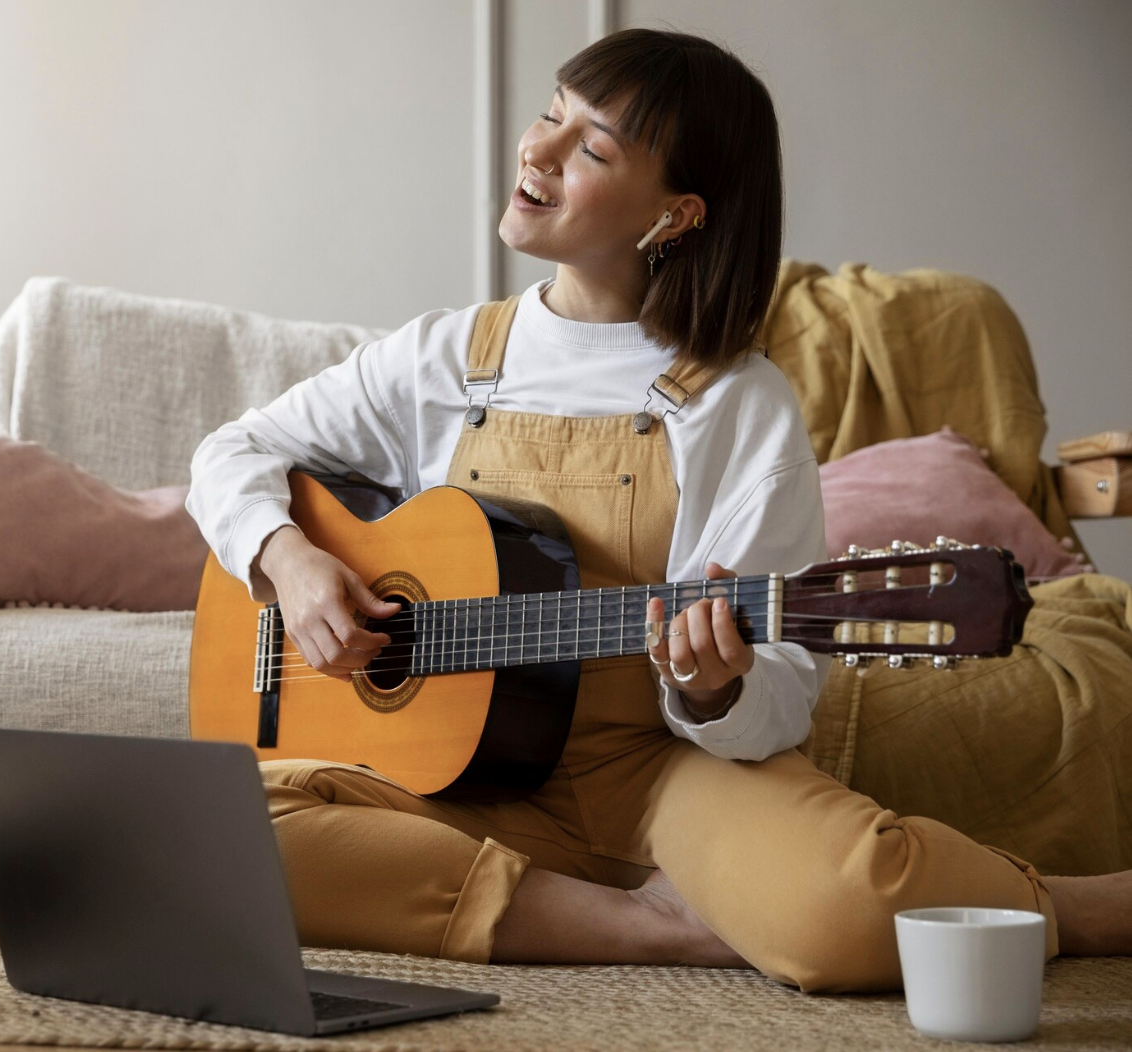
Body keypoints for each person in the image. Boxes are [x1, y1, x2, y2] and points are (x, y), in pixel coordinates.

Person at [185, 28, 1132, 993]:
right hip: (459, 780)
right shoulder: (446, 357)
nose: (539, 150)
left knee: (846, 918)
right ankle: (654, 929)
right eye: (552, 112)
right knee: (205, 838)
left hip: (653, 773)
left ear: (675, 215)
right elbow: (231, 452)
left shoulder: (736, 401)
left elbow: (786, 687)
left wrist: (714, 690)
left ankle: (1070, 905)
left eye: (592, 148)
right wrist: (287, 559)